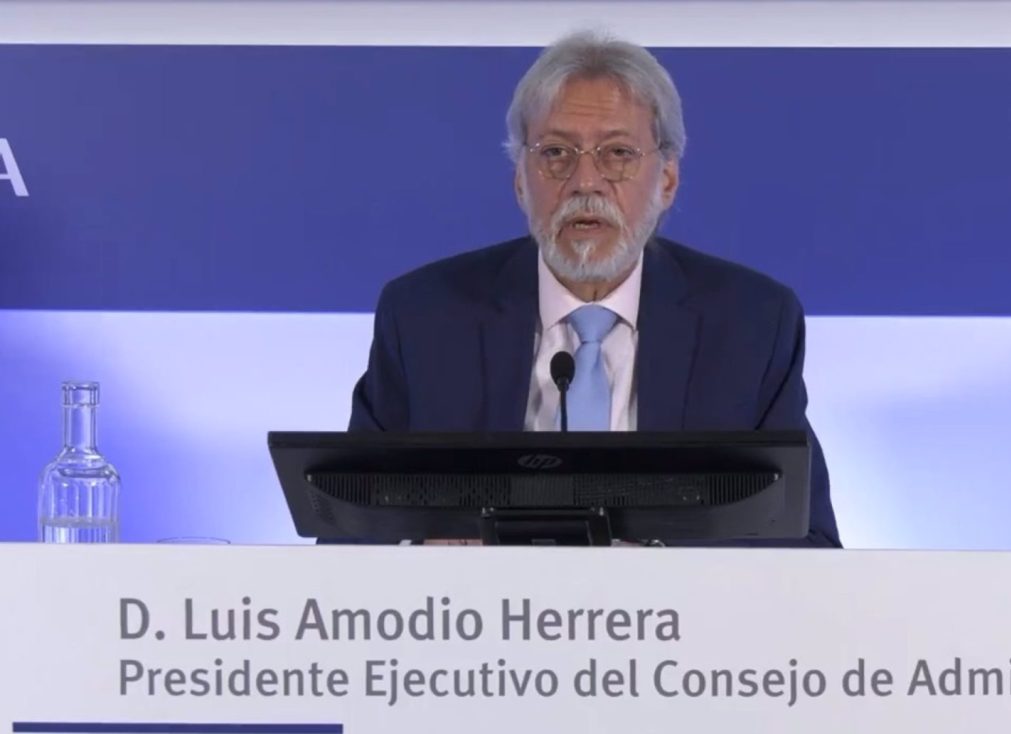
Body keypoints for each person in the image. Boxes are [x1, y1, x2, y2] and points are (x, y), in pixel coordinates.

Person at [347, 30, 841, 547]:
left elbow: (809, 545)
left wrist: (675, 569)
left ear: (667, 180)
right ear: (520, 181)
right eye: (556, 153)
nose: (585, 181)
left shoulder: (752, 326)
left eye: (617, 153)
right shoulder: (424, 319)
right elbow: (348, 533)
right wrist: (421, 554)